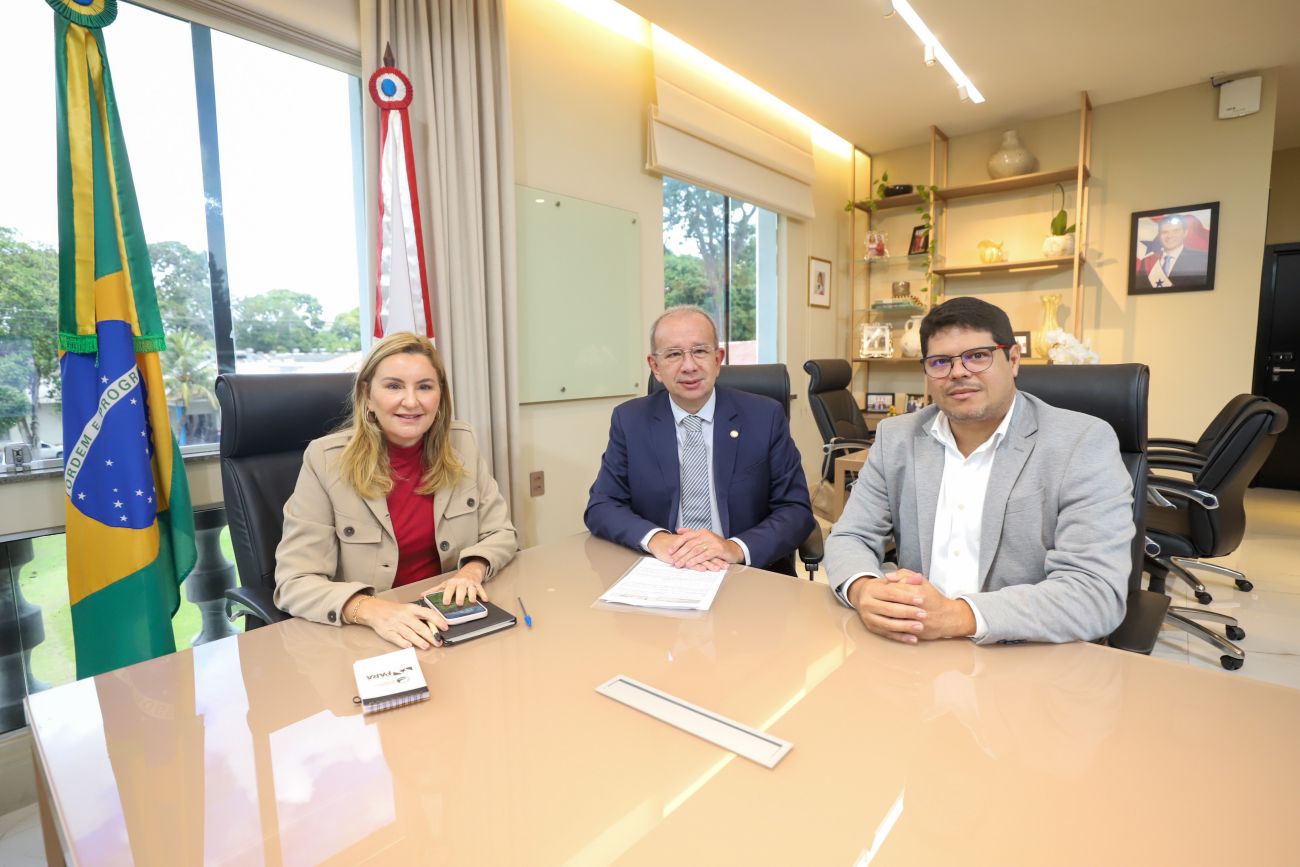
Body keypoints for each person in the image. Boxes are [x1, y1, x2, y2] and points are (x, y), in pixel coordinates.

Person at [825, 297, 1134, 645]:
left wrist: (957, 615)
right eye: (940, 362)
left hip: (1024, 651)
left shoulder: (1082, 442)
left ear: (1013, 360)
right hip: (916, 647)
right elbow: (850, 536)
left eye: (977, 356)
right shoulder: (896, 437)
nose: (958, 372)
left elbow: (1095, 592)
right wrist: (863, 588)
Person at [274, 332, 517, 649]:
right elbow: (294, 582)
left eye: (425, 387)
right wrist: (370, 609)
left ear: (440, 396)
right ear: (367, 395)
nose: (411, 401)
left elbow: (501, 533)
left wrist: (472, 571)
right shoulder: (324, 460)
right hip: (366, 635)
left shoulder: (462, 443)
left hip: (449, 624)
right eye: (393, 386)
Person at [584, 305, 815, 574]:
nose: (689, 366)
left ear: (718, 359)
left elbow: (795, 510)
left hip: (747, 572)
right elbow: (602, 505)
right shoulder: (630, 420)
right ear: (655, 366)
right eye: (673, 354)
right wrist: (658, 540)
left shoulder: (765, 417)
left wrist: (734, 548)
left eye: (700, 351)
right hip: (664, 569)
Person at [1136, 214, 1209, 289]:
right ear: (1159, 235)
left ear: (1185, 233)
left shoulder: (1201, 258)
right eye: (1164, 232)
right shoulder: (1147, 261)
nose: (1169, 236)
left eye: (1175, 231)